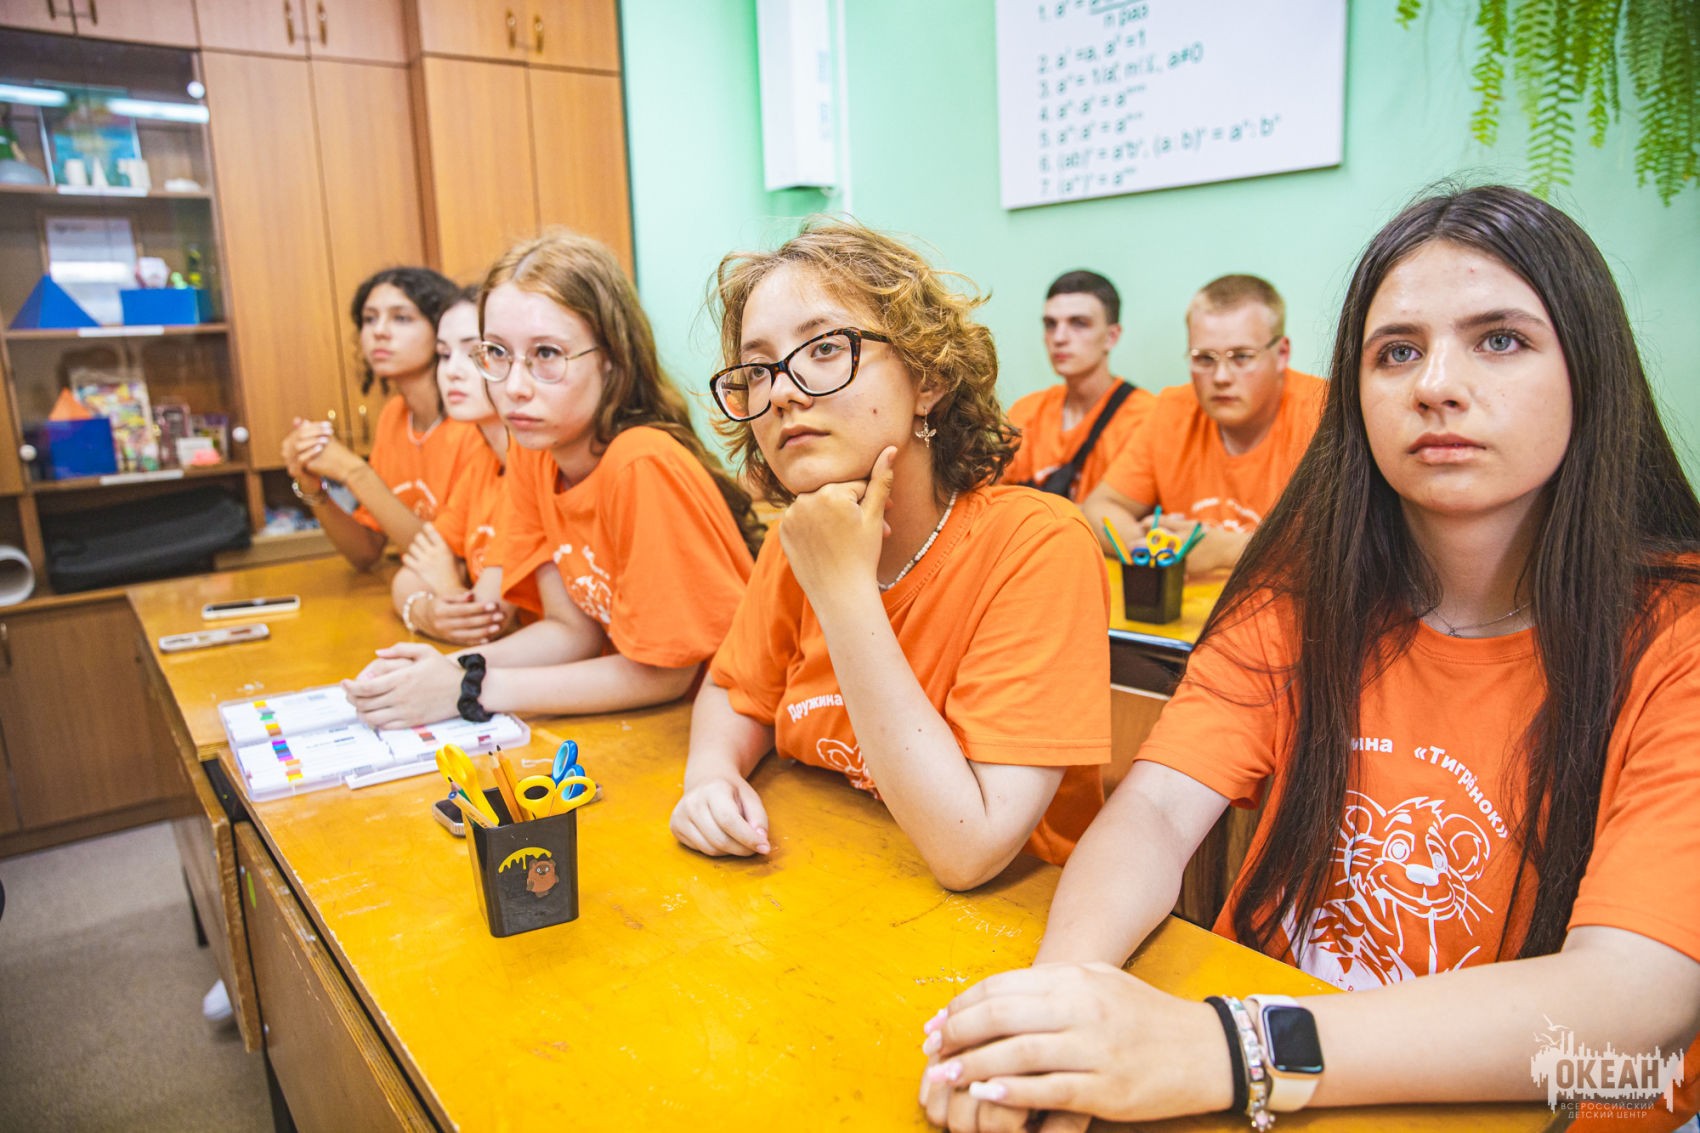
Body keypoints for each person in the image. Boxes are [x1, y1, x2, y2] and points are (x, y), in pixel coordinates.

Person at [918, 186, 1700, 1131]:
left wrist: (1228, 1048)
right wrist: (1056, 1020)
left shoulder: (1676, 639)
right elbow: (1157, 810)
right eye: (1396, 351)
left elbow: (1633, 996)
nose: (1435, 384)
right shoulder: (1297, 597)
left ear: (1591, 369)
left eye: (1500, 340)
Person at [669, 220, 1110, 890]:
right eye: (757, 370)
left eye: (825, 347)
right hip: (830, 885)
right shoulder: (804, 536)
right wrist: (710, 775)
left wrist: (841, 591)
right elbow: (736, 694)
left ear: (927, 379)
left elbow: (969, 851)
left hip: (1006, 915)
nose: (781, 391)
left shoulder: (1038, 544)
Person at [343, 231, 762, 727]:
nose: (514, 387)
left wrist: (471, 687)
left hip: (716, 719)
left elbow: (665, 675)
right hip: (636, 714)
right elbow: (571, 631)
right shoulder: (535, 453)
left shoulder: (640, 462)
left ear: (611, 361)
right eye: (497, 353)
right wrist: (446, 670)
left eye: (546, 354)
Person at [1082, 275, 1325, 576]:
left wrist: (1229, 550)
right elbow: (1099, 508)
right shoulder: (1171, 411)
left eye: (1242, 357)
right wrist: (1149, 548)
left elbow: (1356, 549)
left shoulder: (1326, 415)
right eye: (1204, 359)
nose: (1221, 377)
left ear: (1282, 354)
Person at [282, 267, 489, 570]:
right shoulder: (394, 415)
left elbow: (450, 560)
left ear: (440, 328)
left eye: (401, 318)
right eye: (369, 319)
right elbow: (366, 551)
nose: (379, 331)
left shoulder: (475, 422)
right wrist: (311, 485)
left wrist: (355, 472)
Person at [388, 286, 516, 645]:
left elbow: (486, 619)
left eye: (477, 353)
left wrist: (446, 587)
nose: (452, 372)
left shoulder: (534, 466)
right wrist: (426, 612)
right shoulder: (483, 459)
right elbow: (411, 572)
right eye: (444, 355)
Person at [1001, 270, 1152, 502]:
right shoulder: (1027, 412)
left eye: (1079, 323)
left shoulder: (1145, 417)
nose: (1059, 338)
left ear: (1111, 337)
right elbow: (990, 501)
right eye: (1050, 324)